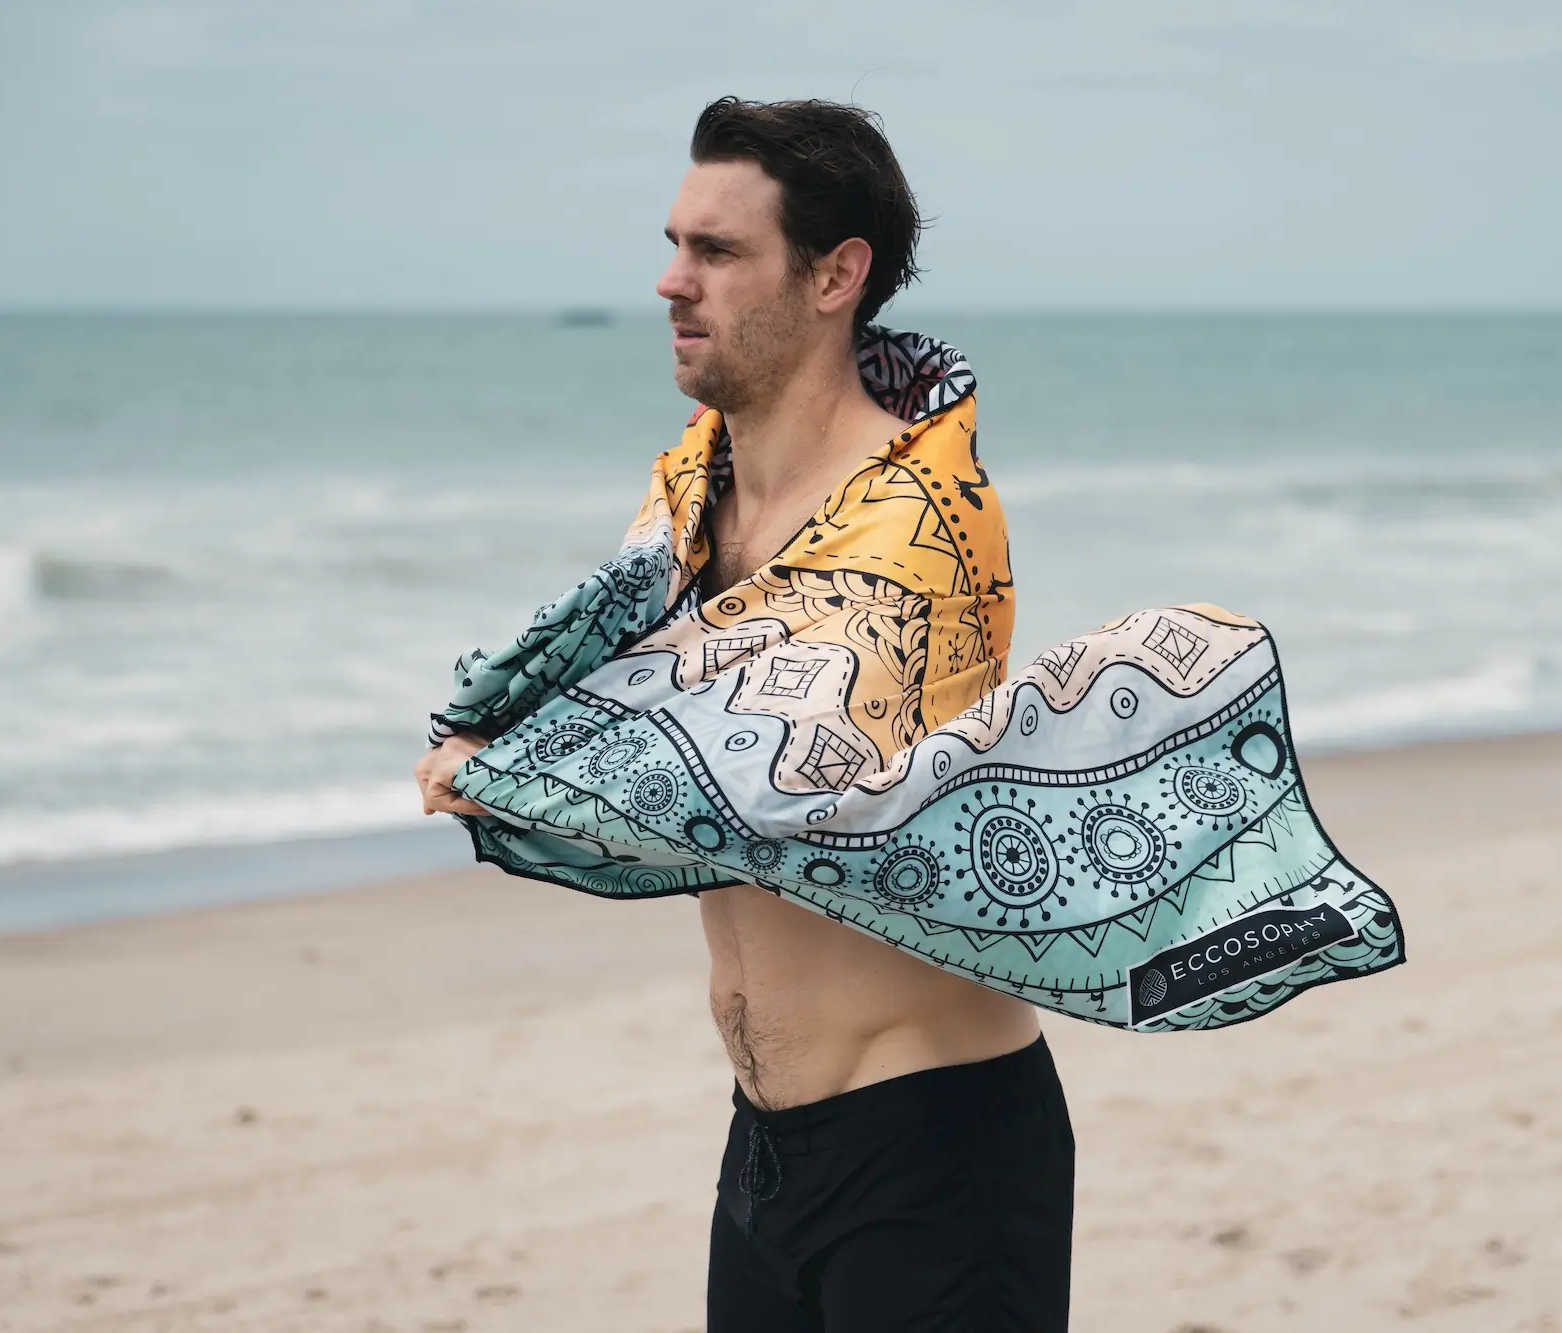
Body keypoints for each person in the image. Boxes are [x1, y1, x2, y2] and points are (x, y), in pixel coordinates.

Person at [414, 97, 1073, 1332]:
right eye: (673, 244)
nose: (671, 282)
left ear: (835, 275)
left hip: (934, 1146)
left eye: (716, 253)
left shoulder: (921, 523)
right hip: (768, 1151)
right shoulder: (688, 486)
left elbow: (748, 773)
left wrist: (513, 776)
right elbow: (602, 674)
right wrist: (501, 731)